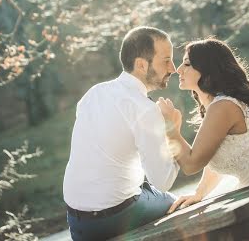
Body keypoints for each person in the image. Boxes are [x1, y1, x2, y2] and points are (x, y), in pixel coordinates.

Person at [158, 37, 249, 213]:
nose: (178, 69)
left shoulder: (223, 106)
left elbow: (191, 165)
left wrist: (170, 127)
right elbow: (217, 153)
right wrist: (200, 192)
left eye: (187, 64)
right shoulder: (217, 105)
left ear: (207, 69)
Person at [63, 26, 180, 241]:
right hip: (115, 216)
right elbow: (163, 180)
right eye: (166, 60)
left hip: (77, 224)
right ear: (141, 65)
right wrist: (171, 130)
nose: (173, 68)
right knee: (177, 202)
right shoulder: (144, 108)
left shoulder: (93, 94)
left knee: (142, 187)